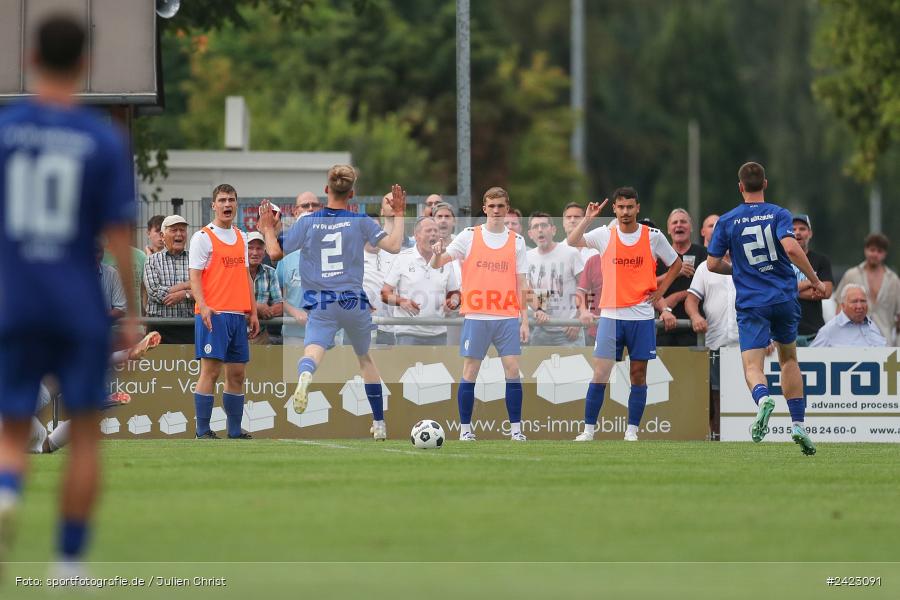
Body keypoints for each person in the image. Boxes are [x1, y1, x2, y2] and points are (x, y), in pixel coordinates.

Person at [0, 14, 138, 569]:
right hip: (77, 302)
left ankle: (7, 491)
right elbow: (119, 233)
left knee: (11, 428)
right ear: (85, 64)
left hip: (15, 299)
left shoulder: (6, 130)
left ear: (31, 59)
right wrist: (132, 312)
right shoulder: (101, 138)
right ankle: (68, 565)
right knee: (84, 435)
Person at [257, 166, 407, 441]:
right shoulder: (360, 221)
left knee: (313, 352)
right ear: (352, 193)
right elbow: (395, 246)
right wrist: (398, 214)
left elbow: (275, 253)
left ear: (327, 190)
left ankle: (305, 376)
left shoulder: (307, 223)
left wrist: (267, 229)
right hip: (353, 302)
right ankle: (379, 423)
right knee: (365, 360)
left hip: (322, 303)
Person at [707, 162, 827, 456]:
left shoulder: (728, 220)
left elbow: (711, 264)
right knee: (789, 360)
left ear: (740, 187)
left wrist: (738, 269)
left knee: (752, 366)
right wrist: (815, 280)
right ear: (765, 184)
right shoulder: (778, 213)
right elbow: (792, 248)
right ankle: (798, 424)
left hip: (752, 302)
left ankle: (763, 399)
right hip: (784, 298)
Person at [566, 188, 681, 442]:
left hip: (641, 317)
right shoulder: (604, 235)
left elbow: (676, 263)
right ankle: (588, 431)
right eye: (621, 207)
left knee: (638, 374)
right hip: (611, 315)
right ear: (615, 209)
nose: (625, 212)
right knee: (600, 373)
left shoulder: (653, 236)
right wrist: (587, 219)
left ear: (637, 208)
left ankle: (631, 431)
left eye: (630, 207)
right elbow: (572, 241)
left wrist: (661, 291)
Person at [429, 187, 530, 441]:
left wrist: (525, 320)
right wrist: (437, 254)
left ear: (507, 208)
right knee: (470, 371)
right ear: (484, 208)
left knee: (513, 370)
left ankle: (516, 431)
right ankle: (465, 430)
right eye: (491, 206)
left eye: (500, 206)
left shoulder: (517, 241)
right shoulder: (469, 236)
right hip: (476, 315)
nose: (496, 210)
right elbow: (438, 263)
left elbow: (522, 284)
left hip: (507, 315)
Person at [188, 184, 260, 440]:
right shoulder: (202, 237)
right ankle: (202, 430)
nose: (227, 204)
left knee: (237, 374)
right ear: (213, 205)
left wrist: (252, 311)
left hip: (238, 315)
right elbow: (194, 276)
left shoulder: (242, 237)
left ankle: (234, 431)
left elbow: (246, 276)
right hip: (214, 314)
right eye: (222, 200)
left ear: (236, 204)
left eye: (231, 200)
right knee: (210, 372)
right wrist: (203, 305)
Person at [685, 250, 739, 440]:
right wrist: (695, 316)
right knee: (716, 394)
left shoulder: (749, 264)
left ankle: (744, 437)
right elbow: (691, 300)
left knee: (746, 392)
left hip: (747, 343)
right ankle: (718, 438)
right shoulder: (705, 267)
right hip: (716, 342)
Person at [382, 217, 460, 345]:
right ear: (416, 236)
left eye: (436, 230)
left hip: (439, 332)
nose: (433, 234)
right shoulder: (402, 259)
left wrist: (453, 302)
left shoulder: (445, 261)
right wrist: (401, 302)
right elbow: (384, 294)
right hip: (407, 332)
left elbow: (455, 293)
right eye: (428, 231)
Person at [526, 212, 585, 346]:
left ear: (553, 230)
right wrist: (538, 309)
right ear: (530, 234)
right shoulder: (527, 257)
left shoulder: (570, 253)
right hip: (540, 330)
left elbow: (585, 288)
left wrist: (578, 321)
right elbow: (526, 290)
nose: (540, 230)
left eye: (544, 225)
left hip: (569, 330)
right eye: (535, 227)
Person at [834, 233, 900, 345]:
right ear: (865, 250)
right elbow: (840, 307)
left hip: (885, 340)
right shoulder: (851, 275)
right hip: (854, 341)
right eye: (872, 250)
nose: (875, 254)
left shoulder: (894, 280)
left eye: (879, 251)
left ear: (885, 254)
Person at [656, 208, 707, 347]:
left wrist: (678, 296)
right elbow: (648, 286)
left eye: (683, 222)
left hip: (695, 327)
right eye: (675, 222)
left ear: (691, 228)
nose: (679, 225)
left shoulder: (703, 254)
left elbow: (710, 286)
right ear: (668, 229)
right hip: (664, 326)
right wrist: (675, 272)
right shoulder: (659, 255)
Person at [276, 194, 321, 345]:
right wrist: (293, 311)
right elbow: (276, 297)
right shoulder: (287, 260)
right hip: (294, 335)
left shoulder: (335, 257)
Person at [143, 215, 194, 343]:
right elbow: (155, 292)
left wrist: (184, 294)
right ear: (162, 235)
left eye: (182, 230)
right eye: (174, 230)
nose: (179, 234)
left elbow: (205, 291)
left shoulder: (195, 259)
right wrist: (187, 285)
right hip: (159, 327)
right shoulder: (152, 260)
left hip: (190, 325)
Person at [791, 214, 834, 346]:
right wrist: (812, 282)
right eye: (793, 229)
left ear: (810, 233)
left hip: (814, 333)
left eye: (802, 229)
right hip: (785, 333)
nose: (797, 232)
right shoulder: (780, 260)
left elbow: (826, 292)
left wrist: (788, 291)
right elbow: (775, 290)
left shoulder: (821, 260)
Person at [811, 284, 887, 348]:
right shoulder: (829, 330)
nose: (859, 306)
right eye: (854, 301)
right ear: (843, 305)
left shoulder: (872, 325)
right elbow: (811, 357)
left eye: (863, 301)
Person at [247, 232, 283, 345]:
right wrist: (257, 307)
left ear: (264, 252)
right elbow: (231, 305)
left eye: (259, 248)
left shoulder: (270, 272)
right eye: (250, 248)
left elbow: (280, 306)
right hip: (235, 335)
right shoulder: (233, 272)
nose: (255, 253)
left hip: (260, 337)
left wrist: (266, 311)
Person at [97, 242, 127, 321]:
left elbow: (121, 309)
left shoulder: (111, 273)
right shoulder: (72, 274)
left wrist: (96, 318)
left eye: (98, 251)